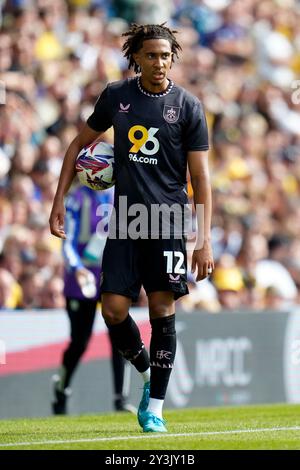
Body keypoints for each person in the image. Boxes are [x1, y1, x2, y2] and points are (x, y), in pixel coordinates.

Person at [50, 23, 214, 432]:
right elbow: (77, 146)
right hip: (124, 220)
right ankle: (145, 374)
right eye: (151, 55)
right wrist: (59, 201)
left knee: (162, 308)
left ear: (173, 58)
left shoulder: (189, 106)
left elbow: (202, 180)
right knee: (113, 310)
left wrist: (203, 239)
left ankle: (155, 407)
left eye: (165, 55)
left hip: (169, 220)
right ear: (136, 58)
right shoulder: (117, 96)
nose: (159, 62)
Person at [52, 183, 135, 415]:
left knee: (120, 337)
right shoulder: (76, 199)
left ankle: (121, 398)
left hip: (111, 276)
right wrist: (77, 268)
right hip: (82, 280)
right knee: (80, 341)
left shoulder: (120, 195)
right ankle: (61, 389)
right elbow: (66, 242)